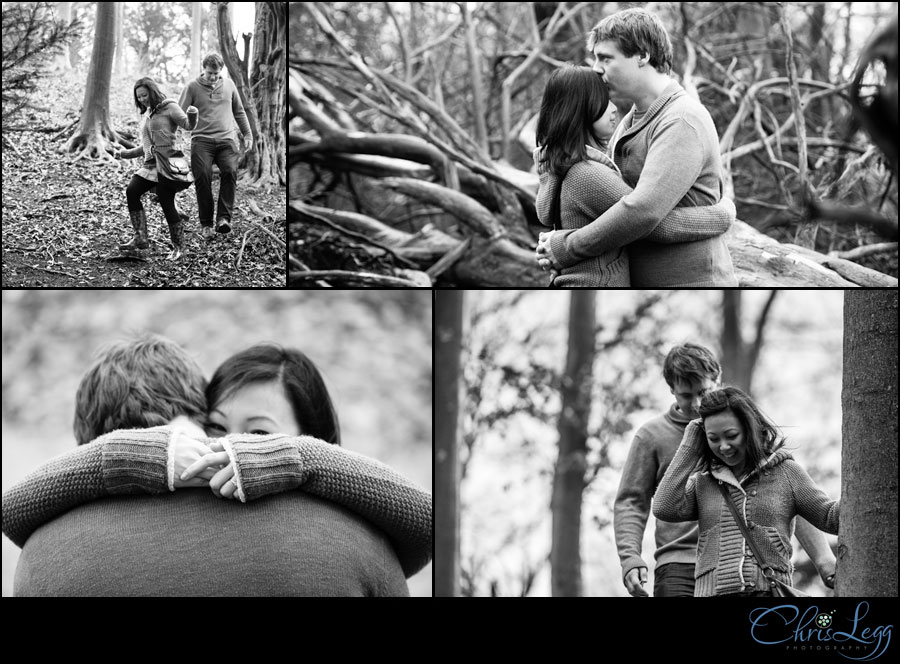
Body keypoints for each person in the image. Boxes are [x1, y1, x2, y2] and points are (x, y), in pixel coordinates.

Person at [2, 335, 431, 596]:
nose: (230, 448)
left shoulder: (41, 556)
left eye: (260, 436)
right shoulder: (361, 542)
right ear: (196, 423)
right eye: (218, 428)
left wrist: (301, 459)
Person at [536, 8, 738, 286]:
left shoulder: (681, 119)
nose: (596, 68)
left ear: (643, 55)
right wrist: (721, 214)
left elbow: (642, 212)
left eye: (606, 58)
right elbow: (613, 206)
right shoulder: (629, 121)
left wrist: (567, 247)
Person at [615, 343, 837, 597]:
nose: (697, 404)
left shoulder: (744, 432)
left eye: (704, 391)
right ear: (672, 391)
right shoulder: (651, 436)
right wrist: (630, 557)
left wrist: (822, 557)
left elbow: (790, 497)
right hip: (678, 564)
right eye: (687, 396)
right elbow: (632, 502)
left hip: (749, 567)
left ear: (717, 380)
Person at [653, 386, 840, 597]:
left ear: (749, 429)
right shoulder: (704, 483)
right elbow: (663, 507)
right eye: (713, 439)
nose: (723, 446)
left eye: (731, 435)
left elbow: (831, 518)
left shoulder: (786, 472)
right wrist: (689, 445)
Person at [115, 77, 198, 260]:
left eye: (144, 95)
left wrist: (193, 114)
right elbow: (145, 147)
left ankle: (180, 247)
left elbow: (188, 125)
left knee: (166, 201)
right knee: (132, 191)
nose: (142, 99)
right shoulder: (149, 114)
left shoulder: (170, 107)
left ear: (152, 92)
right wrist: (124, 154)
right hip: (150, 164)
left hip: (168, 162)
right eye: (139, 97)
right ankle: (140, 237)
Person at [178, 53, 253, 240]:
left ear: (221, 71)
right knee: (203, 176)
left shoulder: (229, 85)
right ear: (204, 69)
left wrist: (248, 134)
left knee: (230, 171)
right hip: (201, 140)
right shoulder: (192, 87)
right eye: (210, 73)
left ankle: (223, 219)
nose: (213, 77)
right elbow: (178, 114)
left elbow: (239, 111)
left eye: (216, 73)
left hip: (226, 140)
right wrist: (175, 135)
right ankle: (206, 224)